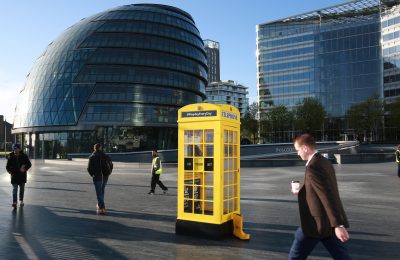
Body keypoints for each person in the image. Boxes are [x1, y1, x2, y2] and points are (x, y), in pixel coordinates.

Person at [289, 134, 351, 260]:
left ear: (305, 148)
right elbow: (323, 190)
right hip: (327, 222)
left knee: (295, 256)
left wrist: (338, 225)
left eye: (298, 150)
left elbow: (327, 195)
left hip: (316, 223)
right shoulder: (323, 161)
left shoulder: (313, 166)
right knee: (341, 255)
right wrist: (301, 190)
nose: (297, 153)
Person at [87, 143, 113, 214]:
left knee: (99, 193)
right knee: (101, 191)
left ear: (94, 148)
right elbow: (111, 164)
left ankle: (102, 207)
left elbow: (89, 168)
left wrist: (92, 174)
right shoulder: (106, 156)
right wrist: (109, 172)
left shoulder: (92, 157)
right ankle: (99, 205)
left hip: (97, 177)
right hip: (105, 176)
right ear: (100, 148)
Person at [6, 143, 32, 208]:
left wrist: (25, 169)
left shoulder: (24, 156)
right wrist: (10, 172)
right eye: (14, 148)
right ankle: (14, 202)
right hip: (14, 177)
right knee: (15, 190)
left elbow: (29, 164)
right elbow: (7, 167)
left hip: (22, 176)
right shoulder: (10, 157)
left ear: (19, 149)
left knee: (22, 189)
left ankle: (21, 201)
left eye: (17, 148)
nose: (15, 150)